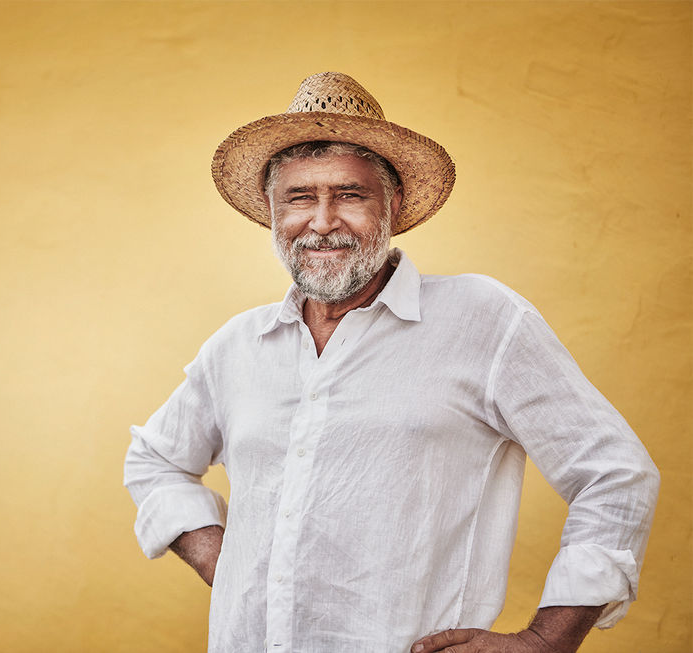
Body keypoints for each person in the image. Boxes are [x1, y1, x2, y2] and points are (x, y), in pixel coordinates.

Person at [123, 72, 659, 653]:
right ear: (273, 215)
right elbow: (154, 461)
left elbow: (615, 474)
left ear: (394, 206)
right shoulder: (236, 346)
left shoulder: (482, 318)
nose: (323, 221)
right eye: (300, 198)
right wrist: (227, 564)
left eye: (349, 195)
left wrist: (546, 640)